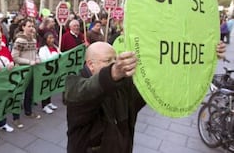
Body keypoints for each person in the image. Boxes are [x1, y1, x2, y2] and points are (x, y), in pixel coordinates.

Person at [64, 41, 227, 153]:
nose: (115, 63)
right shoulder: (75, 85)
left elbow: (159, 80)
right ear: (90, 65)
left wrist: (205, 56)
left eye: (115, 58)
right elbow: (83, 92)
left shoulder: (124, 86)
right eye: (108, 60)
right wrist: (112, 73)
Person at [12, 18, 41, 128]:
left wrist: (37, 58)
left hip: (31, 71)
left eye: (32, 26)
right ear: (23, 27)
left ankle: (28, 111)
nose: (31, 28)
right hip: (21, 71)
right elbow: (14, 57)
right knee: (19, 94)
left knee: (29, 93)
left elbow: (35, 53)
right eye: (29, 26)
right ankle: (16, 118)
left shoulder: (33, 40)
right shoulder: (19, 40)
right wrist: (29, 62)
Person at [38, 32, 59, 114]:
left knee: (50, 87)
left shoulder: (56, 47)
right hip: (46, 72)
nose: (51, 40)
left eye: (52, 38)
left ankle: (49, 102)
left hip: (54, 71)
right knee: (45, 88)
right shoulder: (43, 49)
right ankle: (44, 105)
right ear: (45, 39)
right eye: (49, 38)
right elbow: (44, 60)